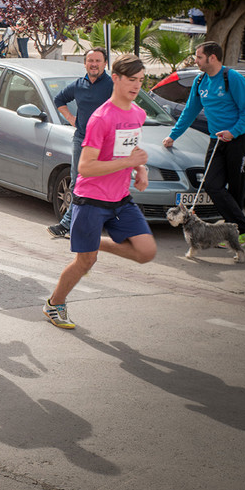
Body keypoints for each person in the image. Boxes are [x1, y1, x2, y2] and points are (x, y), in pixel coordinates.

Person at [46, 54, 157, 329]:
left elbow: (129, 147)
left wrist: (140, 169)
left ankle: (95, 242)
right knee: (85, 262)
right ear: (115, 78)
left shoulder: (138, 114)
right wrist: (129, 163)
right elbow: (85, 166)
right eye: (131, 80)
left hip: (120, 199)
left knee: (146, 251)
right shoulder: (101, 118)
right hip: (91, 200)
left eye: (141, 80)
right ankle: (54, 304)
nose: (137, 86)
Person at [163, 41, 245, 246]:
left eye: (199, 57)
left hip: (239, 139)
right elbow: (190, 111)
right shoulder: (200, 81)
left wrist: (233, 132)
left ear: (212, 58)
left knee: (236, 187)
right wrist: (173, 135)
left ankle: (237, 232)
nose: (196, 61)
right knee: (211, 184)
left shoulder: (231, 78)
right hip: (217, 140)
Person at [48, 48, 113, 239]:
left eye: (98, 61)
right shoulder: (78, 84)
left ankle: (77, 224)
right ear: (85, 63)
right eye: (90, 60)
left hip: (103, 142)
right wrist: (70, 118)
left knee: (100, 183)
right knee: (78, 182)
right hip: (81, 139)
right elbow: (59, 99)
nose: (94, 64)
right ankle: (69, 224)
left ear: (105, 63)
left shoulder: (111, 85)